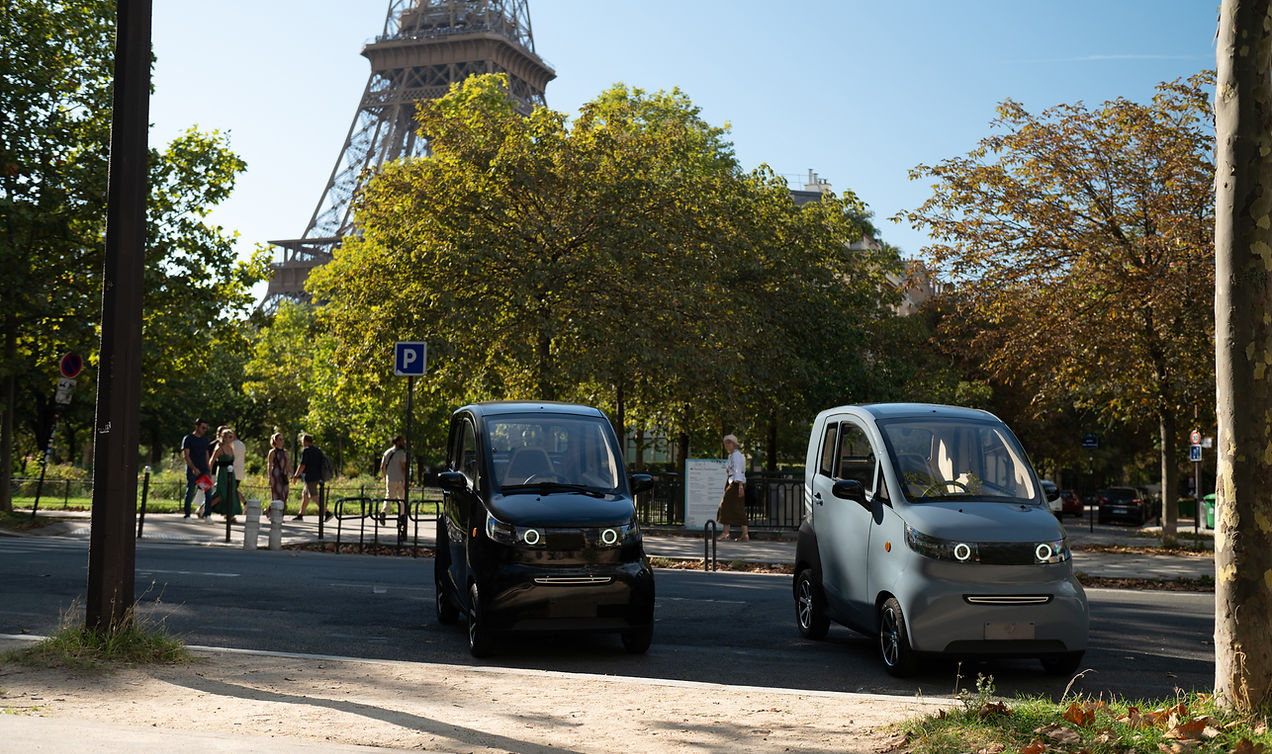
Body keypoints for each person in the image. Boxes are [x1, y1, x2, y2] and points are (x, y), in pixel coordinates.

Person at [716, 434, 749, 541]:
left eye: (729, 443)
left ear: (734, 444)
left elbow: (738, 470)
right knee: (738, 508)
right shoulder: (733, 455)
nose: (727, 445)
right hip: (734, 483)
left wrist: (739, 486)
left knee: (724, 506)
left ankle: (726, 532)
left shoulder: (736, 455)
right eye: (725, 443)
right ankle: (745, 534)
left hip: (736, 484)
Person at [205, 427, 243, 522]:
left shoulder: (231, 448)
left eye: (232, 437)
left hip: (231, 473)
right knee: (221, 494)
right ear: (224, 437)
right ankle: (204, 509)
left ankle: (229, 514)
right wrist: (209, 474)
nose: (231, 439)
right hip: (222, 472)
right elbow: (211, 461)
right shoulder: (220, 448)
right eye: (229, 437)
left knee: (231, 493)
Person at [291, 434, 330, 521]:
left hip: (310, 477)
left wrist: (295, 476)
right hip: (317, 476)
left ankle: (327, 512)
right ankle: (300, 515)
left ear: (304, 441)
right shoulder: (318, 451)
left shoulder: (306, 451)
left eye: (302, 441)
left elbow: (302, 465)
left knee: (314, 496)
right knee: (305, 496)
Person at [181, 418, 212, 518]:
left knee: (208, 492)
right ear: (196, 426)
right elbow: (186, 455)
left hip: (203, 470)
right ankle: (187, 515)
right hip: (193, 471)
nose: (204, 430)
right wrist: (193, 468)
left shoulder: (204, 439)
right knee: (190, 491)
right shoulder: (188, 438)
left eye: (206, 428)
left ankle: (207, 514)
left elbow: (207, 455)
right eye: (203, 427)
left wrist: (208, 469)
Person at [378, 435, 408, 524]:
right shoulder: (401, 453)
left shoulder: (387, 452)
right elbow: (403, 468)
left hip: (390, 479)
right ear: (398, 442)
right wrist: (405, 480)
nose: (404, 443)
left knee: (389, 498)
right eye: (402, 441)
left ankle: (383, 512)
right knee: (402, 499)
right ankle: (402, 517)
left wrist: (385, 477)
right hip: (400, 480)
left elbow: (382, 467)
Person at [266, 432, 291, 518]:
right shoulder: (273, 452)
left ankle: (269, 510)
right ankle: (278, 515)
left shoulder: (285, 452)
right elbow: (269, 464)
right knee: (278, 496)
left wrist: (291, 474)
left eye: (283, 439)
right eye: (280, 439)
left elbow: (288, 464)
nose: (282, 441)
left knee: (285, 494)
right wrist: (269, 477)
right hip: (276, 476)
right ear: (275, 441)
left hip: (283, 476)